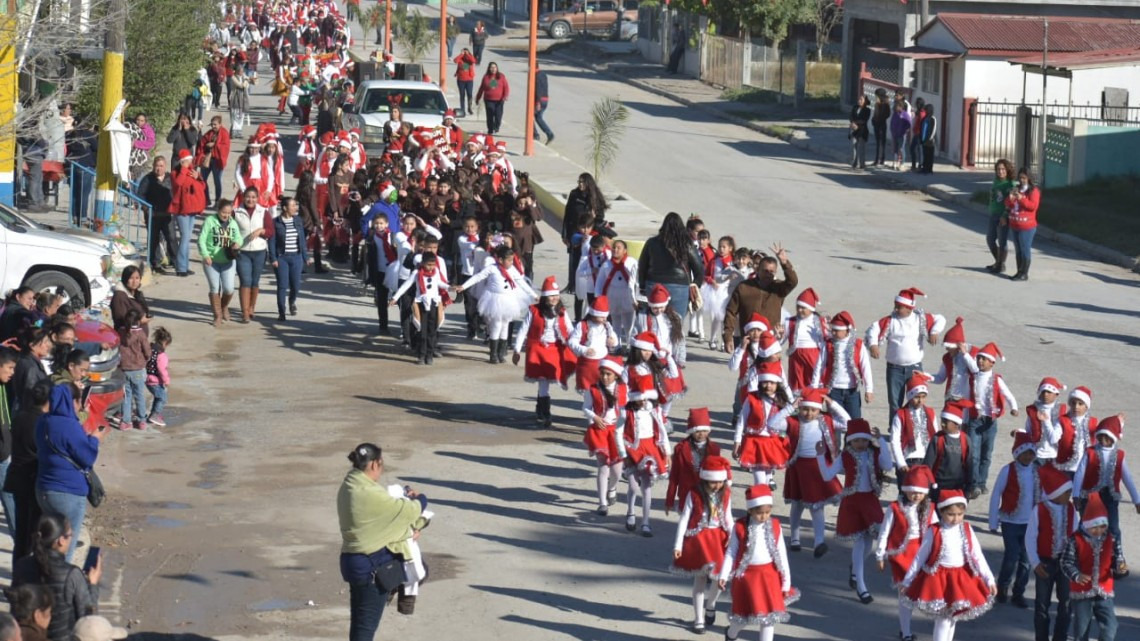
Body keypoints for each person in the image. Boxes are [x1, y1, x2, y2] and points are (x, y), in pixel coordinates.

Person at [337, 443, 428, 641]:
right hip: (370, 567)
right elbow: (410, 510)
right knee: (364, 629)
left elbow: (380, 520)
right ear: (374, 464)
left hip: (354, 562)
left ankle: (392, 589)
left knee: (360, 624)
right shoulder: (370, 493)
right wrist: (421, 498)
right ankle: (394, 590)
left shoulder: (349, 486)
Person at [900, 491, 996, 641]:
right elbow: (920, 557)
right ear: (941, 511)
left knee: (953, 618)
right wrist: (907, 581)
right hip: (940, 581)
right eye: (951, 514)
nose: (955, 518)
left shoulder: (966, 529)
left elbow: (977, 555)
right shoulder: (934, 531)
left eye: (960, 514)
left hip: (960, 579)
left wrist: (989, 579)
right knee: (944, 620)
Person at [816, 419, 891, 604]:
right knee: (859, 542)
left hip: (870, 501)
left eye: (864, 440)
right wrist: (820, 456)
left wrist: (881, 441)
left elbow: (888, 465)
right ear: (850, 440)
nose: (860, 444)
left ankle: (855, 570)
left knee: (869, 542)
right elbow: (827, 475)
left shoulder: (874, 453)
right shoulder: (845, 456)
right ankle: (861, 586)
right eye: (856, 440)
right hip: (852, 502)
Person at [768, 388, 850, 556]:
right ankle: (795, 537)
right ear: (799, 407)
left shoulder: (826, 420)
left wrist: (832, 404)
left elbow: (848, 422)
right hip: (798, 467)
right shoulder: (792, 421)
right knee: (797, 504)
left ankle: (819, 541)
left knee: (817, 506)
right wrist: (790, 407)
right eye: (805, 409)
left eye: (813, 410)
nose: (809, 413)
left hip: (818, 468)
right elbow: (772, 424)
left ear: (819, 409)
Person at [716, 485, 799, 641]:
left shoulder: (775, 526)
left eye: (768, 512)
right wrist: (723, 574)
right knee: (742, 618)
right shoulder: (740, 527)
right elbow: (731, 552)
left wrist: (786, 582)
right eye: (760, 513)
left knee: (769, 619)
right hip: (747, 579)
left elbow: (782, 554)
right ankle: (731, 633)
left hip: (769, 577)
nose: (764, 516)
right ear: (750, 510)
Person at [11, 513, 102, 641]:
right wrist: (93, 584)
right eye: (70, 535)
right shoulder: (71, 574)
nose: (71, 539)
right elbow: (89, 620)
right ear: (61, 540)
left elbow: (15, 610)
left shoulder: (21, 565)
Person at [671, 455, 732, 635]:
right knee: (700, 580)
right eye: (713, 482)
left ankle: (711, 604)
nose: (717, 485)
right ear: (705, 479)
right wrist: (678, 545)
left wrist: (734, 535)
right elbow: (684, 519)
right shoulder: (694, 494)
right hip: (699, 540)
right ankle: (699, 619)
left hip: (719, 539)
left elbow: (728, 517)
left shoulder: (726, 494)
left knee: (719, 578)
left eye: (720, 482)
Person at [866, 287, 946, 421]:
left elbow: (941, 319)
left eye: (899, 307)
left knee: (917, 400)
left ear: (909, 308)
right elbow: (873, 329)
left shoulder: (920, 319)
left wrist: (934, 331)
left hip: (915, 368)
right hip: (894, 369)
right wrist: (873, 344)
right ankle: (895, 428)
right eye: (895, 306)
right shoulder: (890, 320)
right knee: (894, 403)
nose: (896, 309)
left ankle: (915, 427)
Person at [875, 465, 935, 641]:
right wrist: (880, 555)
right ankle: (906, 631)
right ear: (905, 490)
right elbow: (884, 532)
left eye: (920, 492)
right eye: (912, 491)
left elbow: (936, 532)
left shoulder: (930, 508)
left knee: (921, 592)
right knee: (905, 594)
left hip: (923, 553)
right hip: (902, 555)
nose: (916, 495)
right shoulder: (895, 508)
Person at [453, 245, 536, 364]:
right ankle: (493, 354)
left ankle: (501, 353)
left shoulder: (512, 270)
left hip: (508, 300)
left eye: (512, 260)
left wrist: (534, 295)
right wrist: (464, 286)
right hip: (494, 300)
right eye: (509, 260)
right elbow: (477, 277)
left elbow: (522, 283)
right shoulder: (492, 268)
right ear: (500, 260)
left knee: (505, 325)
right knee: (496, 325)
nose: (511, 262)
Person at [511, 277, 575, 425]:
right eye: (551, 296)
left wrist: (579, 343)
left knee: (546, 382)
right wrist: (516, 350)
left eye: (556, 295)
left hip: (555, 351)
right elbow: (523, 330)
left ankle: (540, 408)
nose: (554, 298)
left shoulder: (562, 312)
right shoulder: (534, 311)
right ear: (545, 297)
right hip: (538, 351)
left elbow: (571, 330)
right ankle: (546, 413)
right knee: (543, 381)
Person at [1060, 492, 1123, 641]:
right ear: (1086, 524)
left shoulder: (1111, 539)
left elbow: (1118, 558)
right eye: (1095, 527)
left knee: (1110, 626)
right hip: (1082, 592)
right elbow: (1066, 562)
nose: (1099, 530)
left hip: (1104, 591)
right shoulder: (1075, 540)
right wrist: (1076, 575)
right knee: (1081, 630)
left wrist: (1120, 568)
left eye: (1102, 526)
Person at [1073, 415, 1138, 552]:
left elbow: (1127, 478)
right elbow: (1080, 473)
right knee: (1086, 524)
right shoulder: (1090, 452)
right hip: (1090, 496)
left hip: (1110, 497)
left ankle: (1116, 554)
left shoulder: (1119, 455)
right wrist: (1076, 495)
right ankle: (1079, 551)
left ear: (1114, 437)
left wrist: (1137, 500)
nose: (1103, 440)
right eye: (1100, 436)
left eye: (1107, 437)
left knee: (1113, 527)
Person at [987, 433, 1038, 608]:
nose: (1028, 457)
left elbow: (1043, 495)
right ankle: (1002, 587)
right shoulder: (1007, 470)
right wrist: (993, 521)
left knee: (1026, 559)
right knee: (1011, 555)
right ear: (1017, 453)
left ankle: (1019, 592)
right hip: (1010, 521)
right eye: (1024, 453)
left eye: (1031, 453)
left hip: (1030, 524)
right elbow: (996, 494)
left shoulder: (1036, 472)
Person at [1027, 465, 1076, 641]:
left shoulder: (1071, 509)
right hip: (1044, 562)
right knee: (1042, 604)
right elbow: (1030, 538)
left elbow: (1076, 536)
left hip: (1065, 563)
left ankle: (1060, 637)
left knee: (1066, 603)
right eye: (1066, 492)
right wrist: (1035, 562)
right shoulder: (1039, 510)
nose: (1069, 495)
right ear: (1056, 493)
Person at [962, 342, 1018, 498]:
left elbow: (1008, 394)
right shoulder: (973, 378)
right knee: (974, 454)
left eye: (984, 359)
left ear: (992, 362)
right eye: (978, 358)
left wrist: (1014, 407)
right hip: (975, 420)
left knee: (986, 454)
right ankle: (974, 484)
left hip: (990, 422)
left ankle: (982, 482)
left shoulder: (996, 380)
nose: (980, 361)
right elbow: (967, 401)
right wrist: (964, 421)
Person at [4, 379, 49, 563]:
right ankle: (29, 572)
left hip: (17, 478)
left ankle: (19, 572)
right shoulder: (43, 422)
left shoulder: (20, 416)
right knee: (35, 533)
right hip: (33, 478)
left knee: (22, 533)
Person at [618, 385, 670, 537]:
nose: (643, 401)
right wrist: (624, 455)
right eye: (640, 398)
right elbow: (618, 433)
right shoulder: (626, 411)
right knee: (633, 486)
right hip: (632, 448)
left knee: (646, 486)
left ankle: (646, 522)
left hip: (650, 449)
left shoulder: (654, 410)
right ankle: (631, 512)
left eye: (645, 398)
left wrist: (667, 452)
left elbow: (662, 431)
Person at [722, 246, 797, 351]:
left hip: (770, 340)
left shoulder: (779, 288)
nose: (768, 274)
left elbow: (793, 282)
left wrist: (785, 263)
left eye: (772, 271)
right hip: (748, 340)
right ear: (757, 270)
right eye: (765, 271)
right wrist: (728, 336)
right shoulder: (744, 287)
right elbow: (731, 312)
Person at [637, 212, 705, 323]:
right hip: (679, 287)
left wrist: (642, 286)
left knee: (656, 321)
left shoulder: (652, 243)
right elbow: (699, 268)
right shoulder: (687, 244)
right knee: (676, 323)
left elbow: (642, 265)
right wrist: (695, 284)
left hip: (654, 285)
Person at [816, 311, 873, 420]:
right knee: (835, 421)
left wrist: (869, 389)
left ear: (847, 330)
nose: (833, 332)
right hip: (833, 390)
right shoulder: (828, 345)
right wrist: (815, 387)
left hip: (852, 391)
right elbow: (819, 366)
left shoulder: (858, 345)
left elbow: (865, 367)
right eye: (832, 330)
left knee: (855, 421)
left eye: (836, 330)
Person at [197, 199, 242, 327]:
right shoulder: (210, 221)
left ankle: (224, 306)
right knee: (214, 288)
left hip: (228, 261)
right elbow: (201, 239)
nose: (226, 215)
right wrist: (205, 255)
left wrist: (237, 243)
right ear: (218, 210)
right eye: (223, 212)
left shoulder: (233, 223)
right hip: (212, 261)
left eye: (228, 213)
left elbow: (239, 237)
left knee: (229, 288)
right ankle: (217, 315)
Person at [268, 197, 313, 322]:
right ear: (284, 208)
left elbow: (302, 240)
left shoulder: (298, 220)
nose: (295, 208)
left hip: (296, 257)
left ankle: (292, 302)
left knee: (295, 285)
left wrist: (305, 257)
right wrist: (273, 258)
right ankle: (281, 312)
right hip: (282, 258)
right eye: (292, 206)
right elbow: (272, 242)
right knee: (282, 285)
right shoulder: (275, 222)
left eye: (295, 205)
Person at [562, 174, 608, 283]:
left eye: (582, 182)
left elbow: (600, 218)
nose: (580, 184)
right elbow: (567, 215)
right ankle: (572, 285)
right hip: (575, 234)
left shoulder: (595, 197)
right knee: (574, 261)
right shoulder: (574, 194)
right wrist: (564, 235)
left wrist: (594, 217)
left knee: (588, 260)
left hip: (590, 235)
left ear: (588, 183)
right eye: (579, 182)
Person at [136, 156, 177, 274]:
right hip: (153, 215)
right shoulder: (148, 179)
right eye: (157, 166)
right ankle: (155, 263)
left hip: (168, 215)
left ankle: (175, 261)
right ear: (153, 166)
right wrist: (146, 208)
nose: (158, 168)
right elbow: (140, 194)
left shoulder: (170, 178)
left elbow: (177, 192)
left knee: (172, 238)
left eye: (161, 166)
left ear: (165, 166)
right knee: (153, 240)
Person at [233, 187, 269, 323]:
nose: (250, 200)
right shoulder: (236, 212)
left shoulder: (263, 211)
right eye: (248, 197)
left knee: (255, 281)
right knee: (245, 281)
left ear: (258, 198)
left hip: (259, 251)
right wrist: (233, 242)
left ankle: (251, 307)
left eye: (253, 197)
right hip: (242, 252)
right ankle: (245, 313)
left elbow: (271, 231)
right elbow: (229, 230)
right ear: (243, 197)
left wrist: (261, 231)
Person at [169, 149, 207, 277]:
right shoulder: (175, 173)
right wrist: (184, 169)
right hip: (181, 209)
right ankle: (181, 267)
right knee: (185, 237)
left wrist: (198, 177)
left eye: (190, 161)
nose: (190, 163)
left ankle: (185, 265)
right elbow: (178, 183)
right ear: (182, 162)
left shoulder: (192, 172)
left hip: (192, 208)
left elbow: (202, 187)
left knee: (187, 238)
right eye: (187, 161)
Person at [1005, 167, 1041, 282]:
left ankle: (1024, 273)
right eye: (1020, 177)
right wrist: (1010, 199)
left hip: (1027, 226)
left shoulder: (1034, 191)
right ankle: (1019, 272)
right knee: (1018, 250)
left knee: (1025, 249)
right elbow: (1008, 204)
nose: (1022, 180)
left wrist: (1021, 199)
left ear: (1029, 178)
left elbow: (1033, 206)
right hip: (1015, 224)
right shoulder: (1016, 189)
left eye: (1024, 178)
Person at [117, 309, 150, 431]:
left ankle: (126, 422)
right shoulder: (140, 334)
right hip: (138, 369)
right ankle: (142, 421)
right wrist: (146, 360)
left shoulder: (121, 332)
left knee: (126, 396)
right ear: (138, 320)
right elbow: (147, 351)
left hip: (124, 369)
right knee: (139, 395)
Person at [984, 159, 1015, 274]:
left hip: (1003, 216)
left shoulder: (1010, 184)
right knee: (990, 239)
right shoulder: (996, 181)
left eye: (1003, 169)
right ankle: (998, 261)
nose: (1000, 171)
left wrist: (1005, 215)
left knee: (1002, 241)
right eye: (998, 169)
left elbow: (1011, 203)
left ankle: (1001, 265)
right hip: (993, 214)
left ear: (1007, 170)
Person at [195, 116, 231, 208]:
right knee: (202, 179)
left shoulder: (224, 133)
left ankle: (218, 201)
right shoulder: (209, 133)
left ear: (220, 124)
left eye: (215, 124)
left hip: (217, 160)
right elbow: (202, 142)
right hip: (208, 159)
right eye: (212, 124)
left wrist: (214, 145)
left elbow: (225, 146)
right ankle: (206, 199)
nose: (213, 126)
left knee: (217, 181)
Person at [109, 265, 151, 333]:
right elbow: (120, 321)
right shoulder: (119, 296)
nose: (134, 281)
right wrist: (139, 322)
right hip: (127, 337)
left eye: (137, 278)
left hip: (138, 337)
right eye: (131, 278)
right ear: (125, 279)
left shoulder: (136, 293)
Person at [144, 326, 171, 427]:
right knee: (162, 398)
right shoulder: (161, 355)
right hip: (155, 380)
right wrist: (166, 380)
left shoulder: (150, 349)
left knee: (158, 396)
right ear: (165, 343)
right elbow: (162, 370)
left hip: (147, 377)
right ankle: (155, 415)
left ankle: (153, 414)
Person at [475, 62, 509, 135]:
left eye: (495, 67)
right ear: (489, 69)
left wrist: (505, 96)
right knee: (490, 114)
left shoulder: (501, 76)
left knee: (498, 115)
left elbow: (506, 87)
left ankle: (496, 127)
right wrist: (478, 98)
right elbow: (481, 88)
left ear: (497, 68)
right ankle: (490, 129)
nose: (493, 69)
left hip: (500, 100)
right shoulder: (486, 77)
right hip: (488, 100)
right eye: (491, 67)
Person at [129, 112, 155, 181]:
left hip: (142, 158)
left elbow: (151, 143)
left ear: (145, 121)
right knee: (130, 178)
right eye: (138, 120)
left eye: (142, 120)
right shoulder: (132, 127)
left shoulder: (148, 130)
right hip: (131, 157)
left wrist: (135, 143)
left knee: (139, 178)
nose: (139, 122)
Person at [533, 63, 554, 144]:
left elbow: (538, 89)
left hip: (539, 100)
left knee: (530, 117)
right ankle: (548, 134)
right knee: (538, 117)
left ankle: (536, 135)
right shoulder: (543, 74)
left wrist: (538, 102)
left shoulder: (536, 76)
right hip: (545, 99)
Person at [848, 94, 871, 170]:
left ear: (865, 101)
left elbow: (864, 120)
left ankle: (862, 164)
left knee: (861, 148)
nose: (859, 101)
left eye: (861, 100)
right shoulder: (855, 107)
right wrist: (852, 123)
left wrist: (856, 123)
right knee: (853, 146)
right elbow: (851, 116)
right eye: (859, 99)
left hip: (862, 130)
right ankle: (854, 163)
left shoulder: (867, 110)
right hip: (853, 129)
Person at [890, 99, 913, 170]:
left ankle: (902, 163)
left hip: (901, 135)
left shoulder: (905, 114)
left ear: (901, 107)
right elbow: (892, 123)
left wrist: (906, 130)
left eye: (897, 106)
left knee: (901, 149)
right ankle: (895, 162)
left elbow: (909, 123)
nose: (895, 107)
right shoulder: (895, 114)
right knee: (895, 149)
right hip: (895, 134)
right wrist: (892, 131)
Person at [454, 48, 477, 118]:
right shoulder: (460, 59)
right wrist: (461, 54)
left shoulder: (470, 59)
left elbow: (474, 61)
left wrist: (468, 54)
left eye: (466, 52)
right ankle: (462, 109)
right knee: (462, 95)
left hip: (469, 80)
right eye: (464, 52)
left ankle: (469, 108)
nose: (465, 53)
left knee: (469, 94)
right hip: (461, 80)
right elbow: (455, 60)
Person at [871, 90, 891, 166]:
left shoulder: (885, 104)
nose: (876, 97)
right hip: (876, 124)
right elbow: (875, 114)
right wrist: (873, 120)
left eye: (877, 95)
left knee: (882, 143)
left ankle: (882, 159)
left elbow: (887, 114)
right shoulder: (877, 103)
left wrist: (879, 119)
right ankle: (876, 159)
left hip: (882, 125)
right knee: (877, 142)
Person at [919, 103, 937, 174]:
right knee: (925, 155)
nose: (926, 111)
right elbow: (921, 129)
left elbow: (933, 130)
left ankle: (929, 169)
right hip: (924, 140)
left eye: (927, 110)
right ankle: (924, 168)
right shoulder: (924, 118)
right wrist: (921, 138)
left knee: (930, 156)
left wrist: (930, 138)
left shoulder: (933, 119)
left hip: (930, 141)